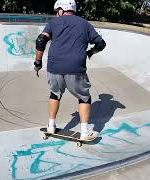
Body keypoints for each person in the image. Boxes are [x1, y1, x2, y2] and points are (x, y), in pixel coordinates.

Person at [34, 0, 106, 140]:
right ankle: (84, 132)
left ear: (61, 9)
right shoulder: (84, 24)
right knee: (84, 97)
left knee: (55, 94)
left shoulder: (53, 23)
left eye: (57, 11)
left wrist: (38, 62)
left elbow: (40, 41)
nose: (56, 14)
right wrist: (91, 52)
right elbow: (101, 43)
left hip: (54, 67)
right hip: (75, 68)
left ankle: (51, 125)